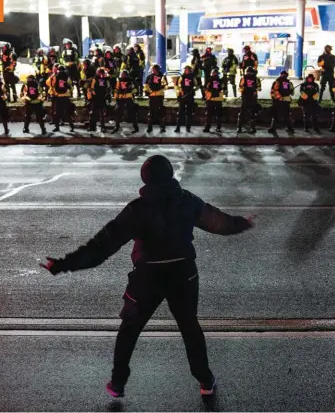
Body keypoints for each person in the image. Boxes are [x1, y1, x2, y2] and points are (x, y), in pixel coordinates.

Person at [40, 154, 255, 399]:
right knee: (189, 327)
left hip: (147, 276)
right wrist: (242, 223)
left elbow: (101, 246)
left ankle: (118, 383)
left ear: (145, 178)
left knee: (130, 328)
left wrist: (62, 265)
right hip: (183, 274)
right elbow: (219, 222)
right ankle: (205, 380)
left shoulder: (136, 210)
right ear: (170, 174)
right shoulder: (187, 201)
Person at [46, 64, 74, 132]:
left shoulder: (56, 77)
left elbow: (50, 84)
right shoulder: (67, 77)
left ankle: (58, 127)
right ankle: (70, 127)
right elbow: (71, 88)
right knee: (65, 113)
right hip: (64, 97)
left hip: (59, 97)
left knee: (58, 113)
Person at [144, 63, 168, 134]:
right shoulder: (149, 77)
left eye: (154, 69)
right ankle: (149, 127)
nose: (152, 71)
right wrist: (146, 91)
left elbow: (166, 86)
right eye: (152, 69)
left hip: (159, 96)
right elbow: (146, 86)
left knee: (160, 112)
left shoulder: (162, 77)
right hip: (151, 96)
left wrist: (161, 87)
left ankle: (162, 127)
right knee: (151, 112)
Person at [236, 66, 261, 134]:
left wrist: (244, 91)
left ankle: (239, 128)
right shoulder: (256, 78)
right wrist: (254, 89)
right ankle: (252, 128)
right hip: (252, 98)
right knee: (252, 113)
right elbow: (259, 88)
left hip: (246, 98)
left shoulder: (244, 78)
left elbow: (240, 87)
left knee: (242, 113)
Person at [113, 69, 139, 134]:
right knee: (118, 112)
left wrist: (130, 89)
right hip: (120, 98)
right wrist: (116, 98)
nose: (122, 75)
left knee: (132, 112)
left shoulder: (131, 81)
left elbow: (135, 90)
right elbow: (116, 90)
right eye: (122, 74)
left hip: (128, 98)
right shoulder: (119, 81)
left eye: (124, 74)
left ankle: (136, 127)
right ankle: (116, 126)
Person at [269, 70, 295, 135]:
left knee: (286, 115)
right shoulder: (279, 82)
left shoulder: (287, 83)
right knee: (277, 115)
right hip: (279, 101)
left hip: (283, 101)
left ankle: (288, 128)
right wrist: (278, 97)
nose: (283, 76)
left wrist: (291, 91)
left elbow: (292, 92)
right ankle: (273, 128)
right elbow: (273, 91)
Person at [86, 67, 110, 132]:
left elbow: (108, 89)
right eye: (99, 72)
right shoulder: (94, 80)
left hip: (102, 99)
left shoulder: (105, 80)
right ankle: (92, 127)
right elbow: (90, 89)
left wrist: (107, 96)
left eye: (101, 72)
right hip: (95, 99)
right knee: (92, 114)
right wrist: (90, 98)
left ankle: (103, 127)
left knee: (102, 114)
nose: (100, 74)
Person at [175, 65, 196, 133]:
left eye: (187, 69)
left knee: (189, 113)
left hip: (190, 97)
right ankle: (178, 127)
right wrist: (179, 95)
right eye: (185, 69)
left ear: (190, 70)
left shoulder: (193, 77)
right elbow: (177, 86)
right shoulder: (181, 77)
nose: (186, 70)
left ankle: (188, 127)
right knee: (180, 113)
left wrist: (193, 90)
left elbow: (197, 85)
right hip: (183, 97)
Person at [203, 67, 224, 133]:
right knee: (217, 114)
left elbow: (205, 88)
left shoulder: (209, 80)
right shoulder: (220, 80)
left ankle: (208, 128)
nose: (213, 74)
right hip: (216, 99)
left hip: (211, 99)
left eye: (213, 73)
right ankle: (217, 127)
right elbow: (223, 88)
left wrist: (207, 95)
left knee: (210, 114)